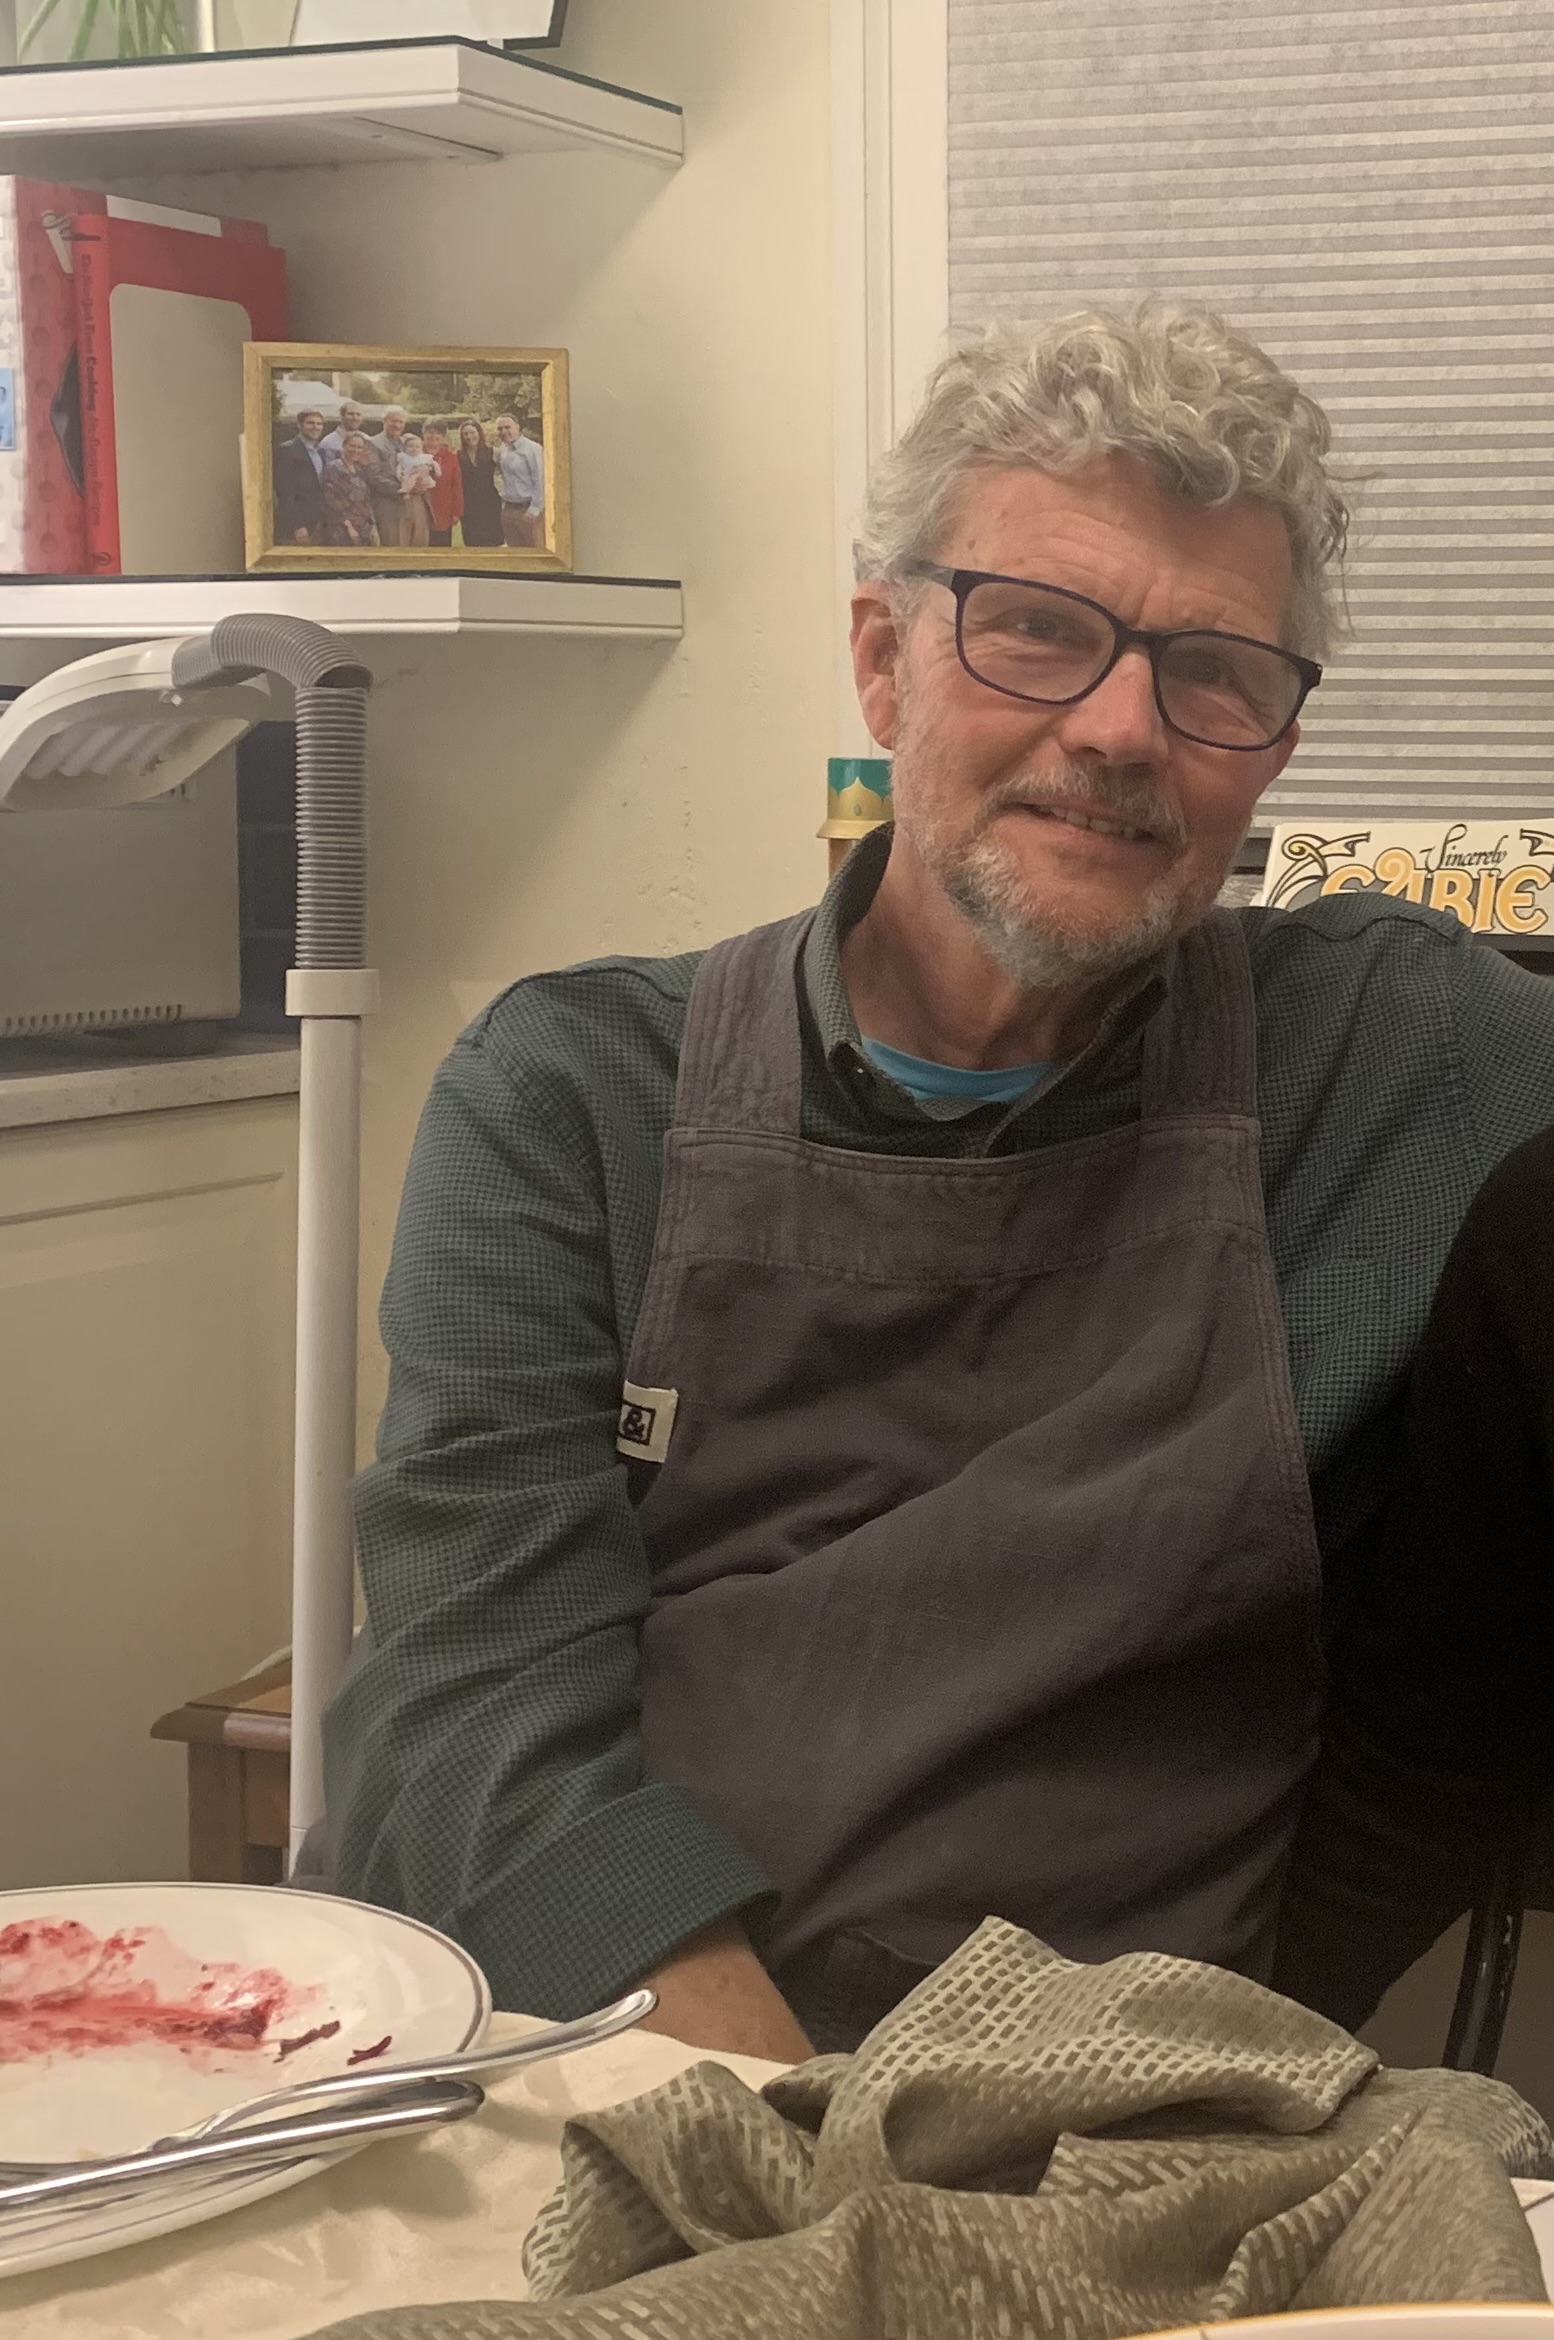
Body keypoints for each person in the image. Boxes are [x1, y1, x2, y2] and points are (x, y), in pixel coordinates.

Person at [324, 302, 1554, 2067]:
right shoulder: (570, 1099)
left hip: (1117, 2128)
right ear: (882, 661)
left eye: (1214, 671)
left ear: (1273, 747)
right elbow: (475, 1695)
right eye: (1036, 628)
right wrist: (798, 2145)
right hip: (622, 2069)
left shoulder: (1391, 1062)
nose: (1120, 728)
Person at [273, 408, 327, 545]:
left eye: (319, 424)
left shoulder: (321, 452)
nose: (315, 427)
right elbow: (285, 492)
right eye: (310, 423)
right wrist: (297, 526)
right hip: (299, 525)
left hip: (319, 522)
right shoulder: (287, 450)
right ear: (299, 425)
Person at [319, 431, 380, 549]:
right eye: (352, 446)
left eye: (359, 447)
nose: (356, 450)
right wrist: (348, 527)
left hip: (364, 529)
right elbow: (331, 501)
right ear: (344, 446)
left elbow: (367, 500)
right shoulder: (333, 469)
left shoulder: (360, 470)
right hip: (343, 530)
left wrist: (373, 525)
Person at [492, 412, 544, 549]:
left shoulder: (532, 449)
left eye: (507, 427)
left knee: (535, 553)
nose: (503, 431)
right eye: (500, 429)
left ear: (517, 427)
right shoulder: (504, 449)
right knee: (515, 554)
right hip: (508, 510)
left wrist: (534, 509)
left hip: (528, 510)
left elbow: (540, 479)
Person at [366, 406, 411, 548]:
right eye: (393, 421)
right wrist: (401, 489)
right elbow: (374, 476)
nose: (397, 425)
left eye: (401, 422)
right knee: (390, 545)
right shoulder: (373, 443)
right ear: (384, 421)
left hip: (406, 505)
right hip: (385, 505)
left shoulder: (405, 443)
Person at [457, 419, 503, 548]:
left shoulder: (493, 452)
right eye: (465, 434)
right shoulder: (458, 456)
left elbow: (505, 475)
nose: (469, 437)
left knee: (492, 543)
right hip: (468, 506)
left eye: (472, 432)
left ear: (479, 433)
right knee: (472, 542)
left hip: (490, 504)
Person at [421, 419, 464, 549]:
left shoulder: (450, 457)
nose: (433, 436)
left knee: (441, 548)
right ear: (423, 434)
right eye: (430, 432)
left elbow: (456, 486)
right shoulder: (415, 453)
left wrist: (457, 511)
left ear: (443, 436)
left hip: (443, 510)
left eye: (438, 433)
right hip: (420, 510)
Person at [395, 430, 437, 551]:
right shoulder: (402, 457)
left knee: (420, 533)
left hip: (420, 495)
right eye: (410, 446)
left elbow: (433, 469)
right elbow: (398, 472)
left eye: (416, 446)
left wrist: (428, 471)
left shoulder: (422, 457)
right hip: (402, 498)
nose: (413, 449)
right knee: (404, 536)